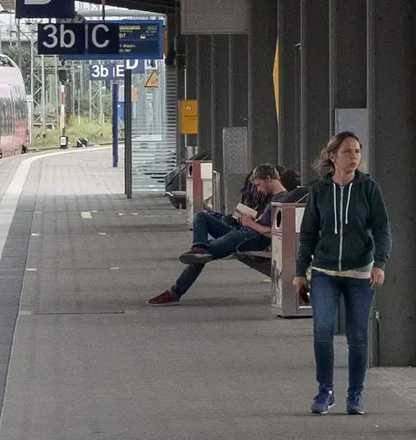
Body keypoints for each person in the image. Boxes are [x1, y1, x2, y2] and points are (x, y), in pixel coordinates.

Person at [291, 131, 390, 415]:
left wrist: (380, 263)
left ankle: (355, 395)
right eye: (348, 152)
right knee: (322, 331)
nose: (354, 157)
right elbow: (308, 233)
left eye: (358, 151)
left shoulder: (368, 188)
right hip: (324, 272)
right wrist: (301, 271)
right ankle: (325, 391)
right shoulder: (320, 190)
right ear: (332, 156)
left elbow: (383, 230)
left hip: (360, 274)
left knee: (357, 336)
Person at [147, 164, 288, 305]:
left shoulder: (282, 200)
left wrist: (251, 223)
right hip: (245, 231)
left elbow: (275, 231)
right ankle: (199, 246)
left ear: (269, 179)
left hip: (252, 238)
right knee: (201, 216)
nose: (259, 189)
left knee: (200, 257)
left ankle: (174, 292)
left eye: (259, 184)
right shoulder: (272, 197)